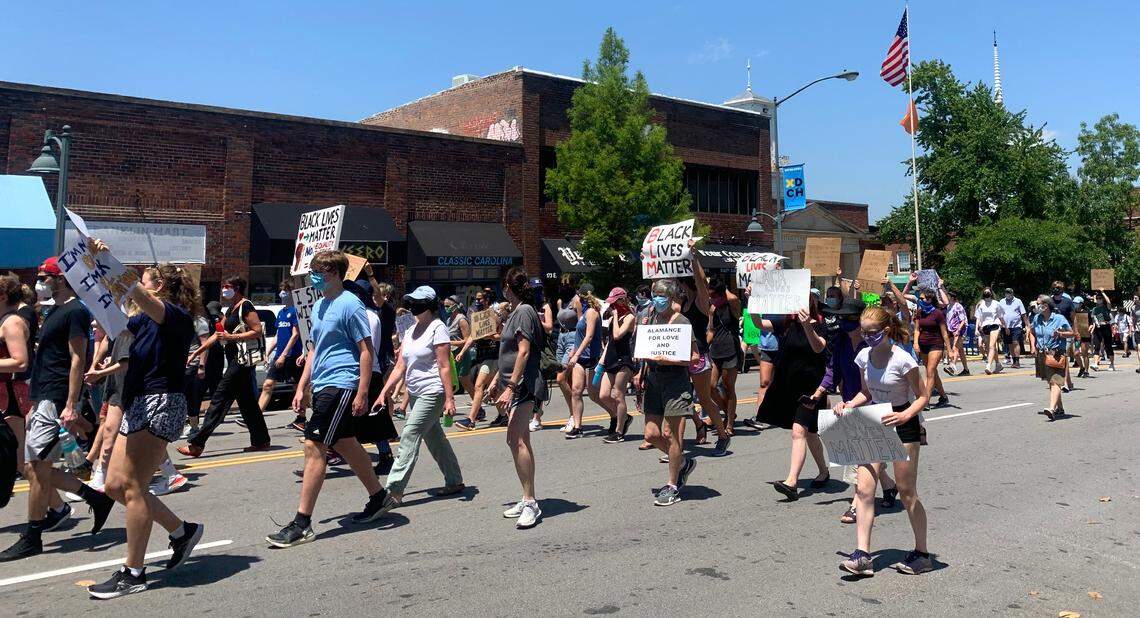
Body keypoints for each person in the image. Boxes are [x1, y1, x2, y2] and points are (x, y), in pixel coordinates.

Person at [86, 262, 206, 598]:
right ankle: (182, 532)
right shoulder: (142, 320)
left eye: (144, 280)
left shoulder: (176, 316)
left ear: (161, 286)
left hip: (162, 402)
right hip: (138, 401)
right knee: (112, 485)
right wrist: (92, 271)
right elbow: (114, 311)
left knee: (134, 486)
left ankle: (133, 573)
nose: (138, 284)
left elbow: (134, 293)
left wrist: (109, 261)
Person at [266, 251, 387, 547]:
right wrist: (302, 387)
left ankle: (302, 523)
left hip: (343, 382)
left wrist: (362, 391)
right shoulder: (319, 305)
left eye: (318, 272)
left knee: (314, 446)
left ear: (334, 273)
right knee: (345, 443)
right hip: (322, 383)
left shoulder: (351, 304)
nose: (313, 277)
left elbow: (366, 350)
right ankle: (379, 496)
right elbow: (315, 349)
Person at [0, 258, 115, 562]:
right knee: (39, 467)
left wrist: (70, 404)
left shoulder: (75, 311)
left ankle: (32, 536)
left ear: (60, 279)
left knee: (35, 467)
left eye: (43, 277)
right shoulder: (55, 310)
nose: (39, 282)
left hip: (58, 395)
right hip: (44, 395)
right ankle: (95, 498)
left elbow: (77, 358)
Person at [835, 305, 933, 576]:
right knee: (864, 490)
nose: (866, 337)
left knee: (907, 493)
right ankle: (863, 556)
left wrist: (904, 416)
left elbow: (924, 396)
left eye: (872, 333)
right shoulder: (864, 357)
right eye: (864, 332)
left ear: (886, 331)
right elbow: (865, 393)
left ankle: (922, 554)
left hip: (903, 425)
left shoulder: (903, 360)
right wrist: (848, 405)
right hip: (875, 421)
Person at [370, 286, 464, 514]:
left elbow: (443, 366)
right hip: (414, 392)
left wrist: (449, 399)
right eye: (412, 302)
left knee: (410, 434)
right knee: (435, 439)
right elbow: (400, 365)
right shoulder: (411, 330)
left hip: (433, 392)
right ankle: (455, 481)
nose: (414, 306)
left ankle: (393, 491)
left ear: (430, 305)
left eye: (419, 303)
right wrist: (384, 392)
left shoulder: (438, 328)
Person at [179, 276, 269, 457]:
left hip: (241, 362)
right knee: (248, 403)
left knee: (219, 400)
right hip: (236, 360)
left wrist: (232, 338)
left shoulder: (246, 306)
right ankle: (261, 440)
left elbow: (257, 330)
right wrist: (197, 352)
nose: (223, 290)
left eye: (227, 287)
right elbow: (218, 335)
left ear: (236, 288)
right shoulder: (231, 309)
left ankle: (197, 444)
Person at [636, 279, 699, 506]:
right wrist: (641, 373)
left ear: (671, 298)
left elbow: (694, 357)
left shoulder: (682, 322)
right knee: (651, 435)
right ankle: (682, 461)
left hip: (675, 382)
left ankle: (672, 485)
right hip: (653, 380)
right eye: (655, 294)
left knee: (671, 435)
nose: (657, 299)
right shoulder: (651, 320)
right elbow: (646, 350)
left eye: (661, 295)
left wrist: (670, 359)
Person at [764, 297, 830, 502]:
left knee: (798, 431)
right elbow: (759, 324)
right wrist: (753, 301)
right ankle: (823, 471)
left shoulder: (820, 325)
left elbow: (818, 348)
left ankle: (791, 482)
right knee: (810, 433)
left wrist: (806, 325)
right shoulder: (786, 323)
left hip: (812, 388)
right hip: (789, 385)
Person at [497, 269, 547, 528]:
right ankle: (527, 497)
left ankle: (531, 502)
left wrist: (511, 386)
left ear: (508, 287)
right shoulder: (516, 312)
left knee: (515, 439)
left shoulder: (525, 311)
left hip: (524, 385)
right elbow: (509, 350)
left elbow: (524, 352)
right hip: (514, 385)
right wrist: (499, 380)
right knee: (520, 440)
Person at [677, 249, 730, 452]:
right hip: (682, 355)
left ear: (685, 282)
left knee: (705, 400)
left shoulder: (700, 301)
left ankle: (723, 436)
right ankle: (676, 446)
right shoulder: (682, 302)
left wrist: (694, 258)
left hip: (698, 355)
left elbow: (701, 282)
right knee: (681, 400)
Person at [560, 287, 607, 439]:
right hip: (580, 359)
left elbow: (589, 336)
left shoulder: (592, 312)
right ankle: (577, 427)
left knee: (595, 396)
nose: (575, 301)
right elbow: (579, 337)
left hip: (591, 358)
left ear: (583, 297)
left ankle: (617, 415)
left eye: (578, 298)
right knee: (576, 391)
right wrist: (573, 352)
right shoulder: (582, 314)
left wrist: (577, 354)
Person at [453, 289, 499, 430]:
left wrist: (490, 336)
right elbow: (472, 336)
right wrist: (463, 351)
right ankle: (505, 415)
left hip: (492, 356)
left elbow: (502, 336)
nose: (477, 301)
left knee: (478, 386)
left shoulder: (495, 316)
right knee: (495, 391)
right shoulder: (479, 317)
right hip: (481, 356)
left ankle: (471, 419)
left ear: (487, 300)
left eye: (480, 299)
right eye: (476, 299)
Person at [0, 274, 31, 474]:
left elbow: (20, 361)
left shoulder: (12, 323)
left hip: (10, 397)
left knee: (20, 463)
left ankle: (82, 494)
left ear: (3, 296)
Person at [263, 280, 305, 428]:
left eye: (285, 291)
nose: (282, 293)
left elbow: (295, 335)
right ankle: (255, 417)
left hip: (292, 355)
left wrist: (284, 355)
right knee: (268, 384)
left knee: (298, 387)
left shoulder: (295, 311)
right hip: (279, 355)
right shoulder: (281, 313)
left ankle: (302, 418)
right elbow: (277, 335)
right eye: (281, 290)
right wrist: (267, 351)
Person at [707, 279, 741, 451]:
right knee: (711, 387)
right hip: (715, 352)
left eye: (713, 294)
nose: (710, 297)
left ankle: (729, 424)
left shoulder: (731, 305)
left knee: (728, 387)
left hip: (730, 350)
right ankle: (728, 413)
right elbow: (711, 330)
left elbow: (735, 299)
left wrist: (724, 287)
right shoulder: (712, 309)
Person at [1027, 295, 1074, 421]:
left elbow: (1071, 333)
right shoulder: (1037, 318)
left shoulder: (1059, 318)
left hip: (1057, 354)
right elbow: (1031, 331)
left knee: (1055, 382)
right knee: (1051, 382)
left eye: (1038, 304)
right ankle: (1060, 408)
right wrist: (1033, 346)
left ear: (1046, 305)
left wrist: (1060, 333)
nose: (1036, 307)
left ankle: (1052, 409)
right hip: (1042, 354)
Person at [599, 287, 636, 443]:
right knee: (603, 395)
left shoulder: (629, 317)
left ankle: (619, 431)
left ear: (622, 300)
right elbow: (610, 341)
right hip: (611, 358)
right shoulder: (613, 317)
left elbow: (618, 335)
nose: (612, 306)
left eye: (614, 302)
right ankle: (624, 417)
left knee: (618, 395)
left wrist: (614, 317)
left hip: (623, 359)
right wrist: (602, 358)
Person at [914, 288, 951, 408]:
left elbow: (944, 333)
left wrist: (949, 350)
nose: (921, 300)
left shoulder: (937, 313)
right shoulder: (919, 312)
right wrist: (915, 343)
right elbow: (917, 329)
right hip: (923, 344)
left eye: (923, 298)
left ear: (930, 299)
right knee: (933, 372)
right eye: (920, 298)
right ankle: (943, 397)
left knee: (929, 372)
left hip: (936, 344)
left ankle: (925, 401)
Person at [443, 295, 476, 403]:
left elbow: (467, 340)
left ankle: (478, 406)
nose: (445, 308)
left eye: (448, 306)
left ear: (455, 306)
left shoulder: (461, 319)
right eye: (444, 306)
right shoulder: (448, 320)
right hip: (451, 355)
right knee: (449, 382)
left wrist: (450, 342)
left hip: (461, 355)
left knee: (465, 382)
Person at [973, 287, 1005, 374]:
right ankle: (998, 364)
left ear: (991, 293)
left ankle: (988, 365)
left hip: (995, 325)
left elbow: (1001, 316)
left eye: (988, 292)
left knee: (991, 346)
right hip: (985, 327)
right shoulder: (981, 305)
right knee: (990, 347)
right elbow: (978, 318)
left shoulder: (996, 303)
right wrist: (976, 329)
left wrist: (1005, 327)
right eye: (985, 292)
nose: (986, 293)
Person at [942, 291, 970, 376]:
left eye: (948, 296)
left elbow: (963, 320)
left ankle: (952, 366)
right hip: (951, 330)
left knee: (955, 348)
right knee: (960, 351)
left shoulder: (958, 306)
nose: (947, 297)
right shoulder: (949, 306)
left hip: (960, 330)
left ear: (953, 297)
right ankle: (966, 370)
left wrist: (958, 330)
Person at [999, 288, 1028, 368]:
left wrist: (1027, 325)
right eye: (1006, 293)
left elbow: (1023, 314)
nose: (1008, 294)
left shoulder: (1018, 301)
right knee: (1010, 344)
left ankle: (1017, 361)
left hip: (1016, 326)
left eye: (1009, 293)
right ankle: (1014, 361)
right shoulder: (1001, 301)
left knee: (1015, 342)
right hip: (1005, 327)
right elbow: (999, 313)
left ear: (1012, 293)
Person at [1091, 290, 1115, 372]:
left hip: (1106, 327)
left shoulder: (1106, 307)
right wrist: (1093, 328)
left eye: (1100, 298)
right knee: (1096, 346)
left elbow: (1108, 302)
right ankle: (1095, 363)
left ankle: (1111, 364)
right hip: (1098, 328)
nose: (1098, 299)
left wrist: (1103, 292)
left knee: (1108, 346)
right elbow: (1094, 319)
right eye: (1097, 298)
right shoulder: (1094, 309)